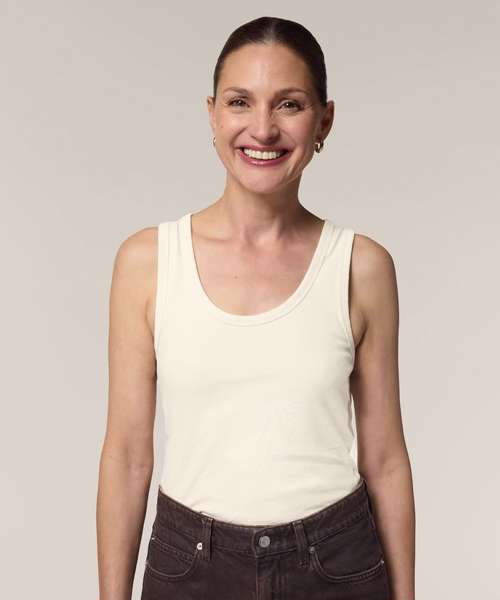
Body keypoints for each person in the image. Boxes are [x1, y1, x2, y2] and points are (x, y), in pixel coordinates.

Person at [96, 16, 415, 600]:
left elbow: (386, 458)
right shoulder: (148, 261)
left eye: (289, 104)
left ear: (324, 121)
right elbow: (126, 456)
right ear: (213, 114)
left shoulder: (361, 267)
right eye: (240, 102)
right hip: (191, 569)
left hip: (335, 566)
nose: (262, 128)